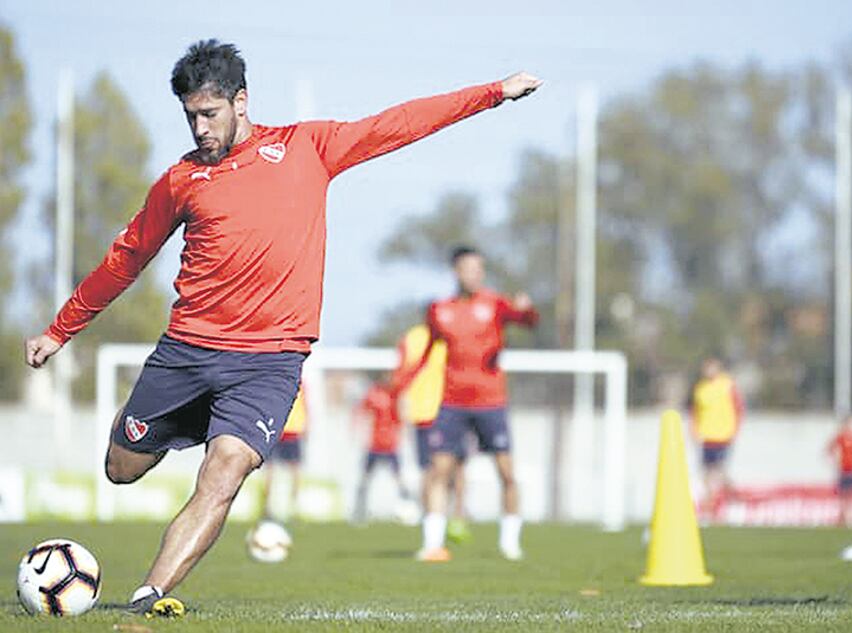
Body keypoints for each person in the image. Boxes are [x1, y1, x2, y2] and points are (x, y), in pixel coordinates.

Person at [23, 39, 541, 616]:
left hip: (269, 362)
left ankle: (148, 597)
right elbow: (127, 258)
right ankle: (194, 419)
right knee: (122, 469)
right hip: (188, 351)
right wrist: (59, 330)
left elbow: (400, 124)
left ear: (241, 102)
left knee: (224, 473)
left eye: (209, 114)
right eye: (190, 115)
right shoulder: (180, 181)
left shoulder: (307, 148)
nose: (199, 128)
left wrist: (493, 93)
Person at [393, 246, 538, 561]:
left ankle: (510, 544)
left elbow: (527, 321)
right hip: (453, 402)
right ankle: (432, 544)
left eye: (479, 269)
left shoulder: (495, 304)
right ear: (456, 272)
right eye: (469, 268)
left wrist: (527, 310)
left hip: (491, 401)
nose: (475, 274)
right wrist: (403, 384)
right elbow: (430, 350)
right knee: (439, 470)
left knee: (506, 472)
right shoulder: (439, 310)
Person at [397, 323, 471, 544]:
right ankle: (436, 520)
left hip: (448, 409)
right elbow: (403, 371)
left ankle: (451, 517)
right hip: (433, 411)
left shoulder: (451, 334)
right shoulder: (416, 338)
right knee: (439, 469)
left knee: (449, 468)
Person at [690, 357, 744, 522]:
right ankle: (711, 509)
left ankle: (732, 500)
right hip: (707, 437)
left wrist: (735, 430)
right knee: (706, 473)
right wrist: (694, 430)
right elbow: (696, 412)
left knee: (719, 472)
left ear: (718, 368)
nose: (708, 371)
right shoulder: (700, 389)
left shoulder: (727, 385)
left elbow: (739, 408)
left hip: (724, 436)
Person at [351, 379, 412, 523]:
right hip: (374, 445)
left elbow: (403, 416)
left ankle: (409, 508)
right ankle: (360, 512)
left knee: (399, 479)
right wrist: (357, 430)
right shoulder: (373, 393)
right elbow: (362, 411)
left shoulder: (396, 395)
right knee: (365, 478)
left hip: (391, 445)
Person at [260, 386, 308, 524]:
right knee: (272, 471)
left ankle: (292, 508)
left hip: (287, 429)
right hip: (279, 429)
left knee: (290, 472)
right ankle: (268, 508)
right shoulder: (294, 382)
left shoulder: (299, 384)